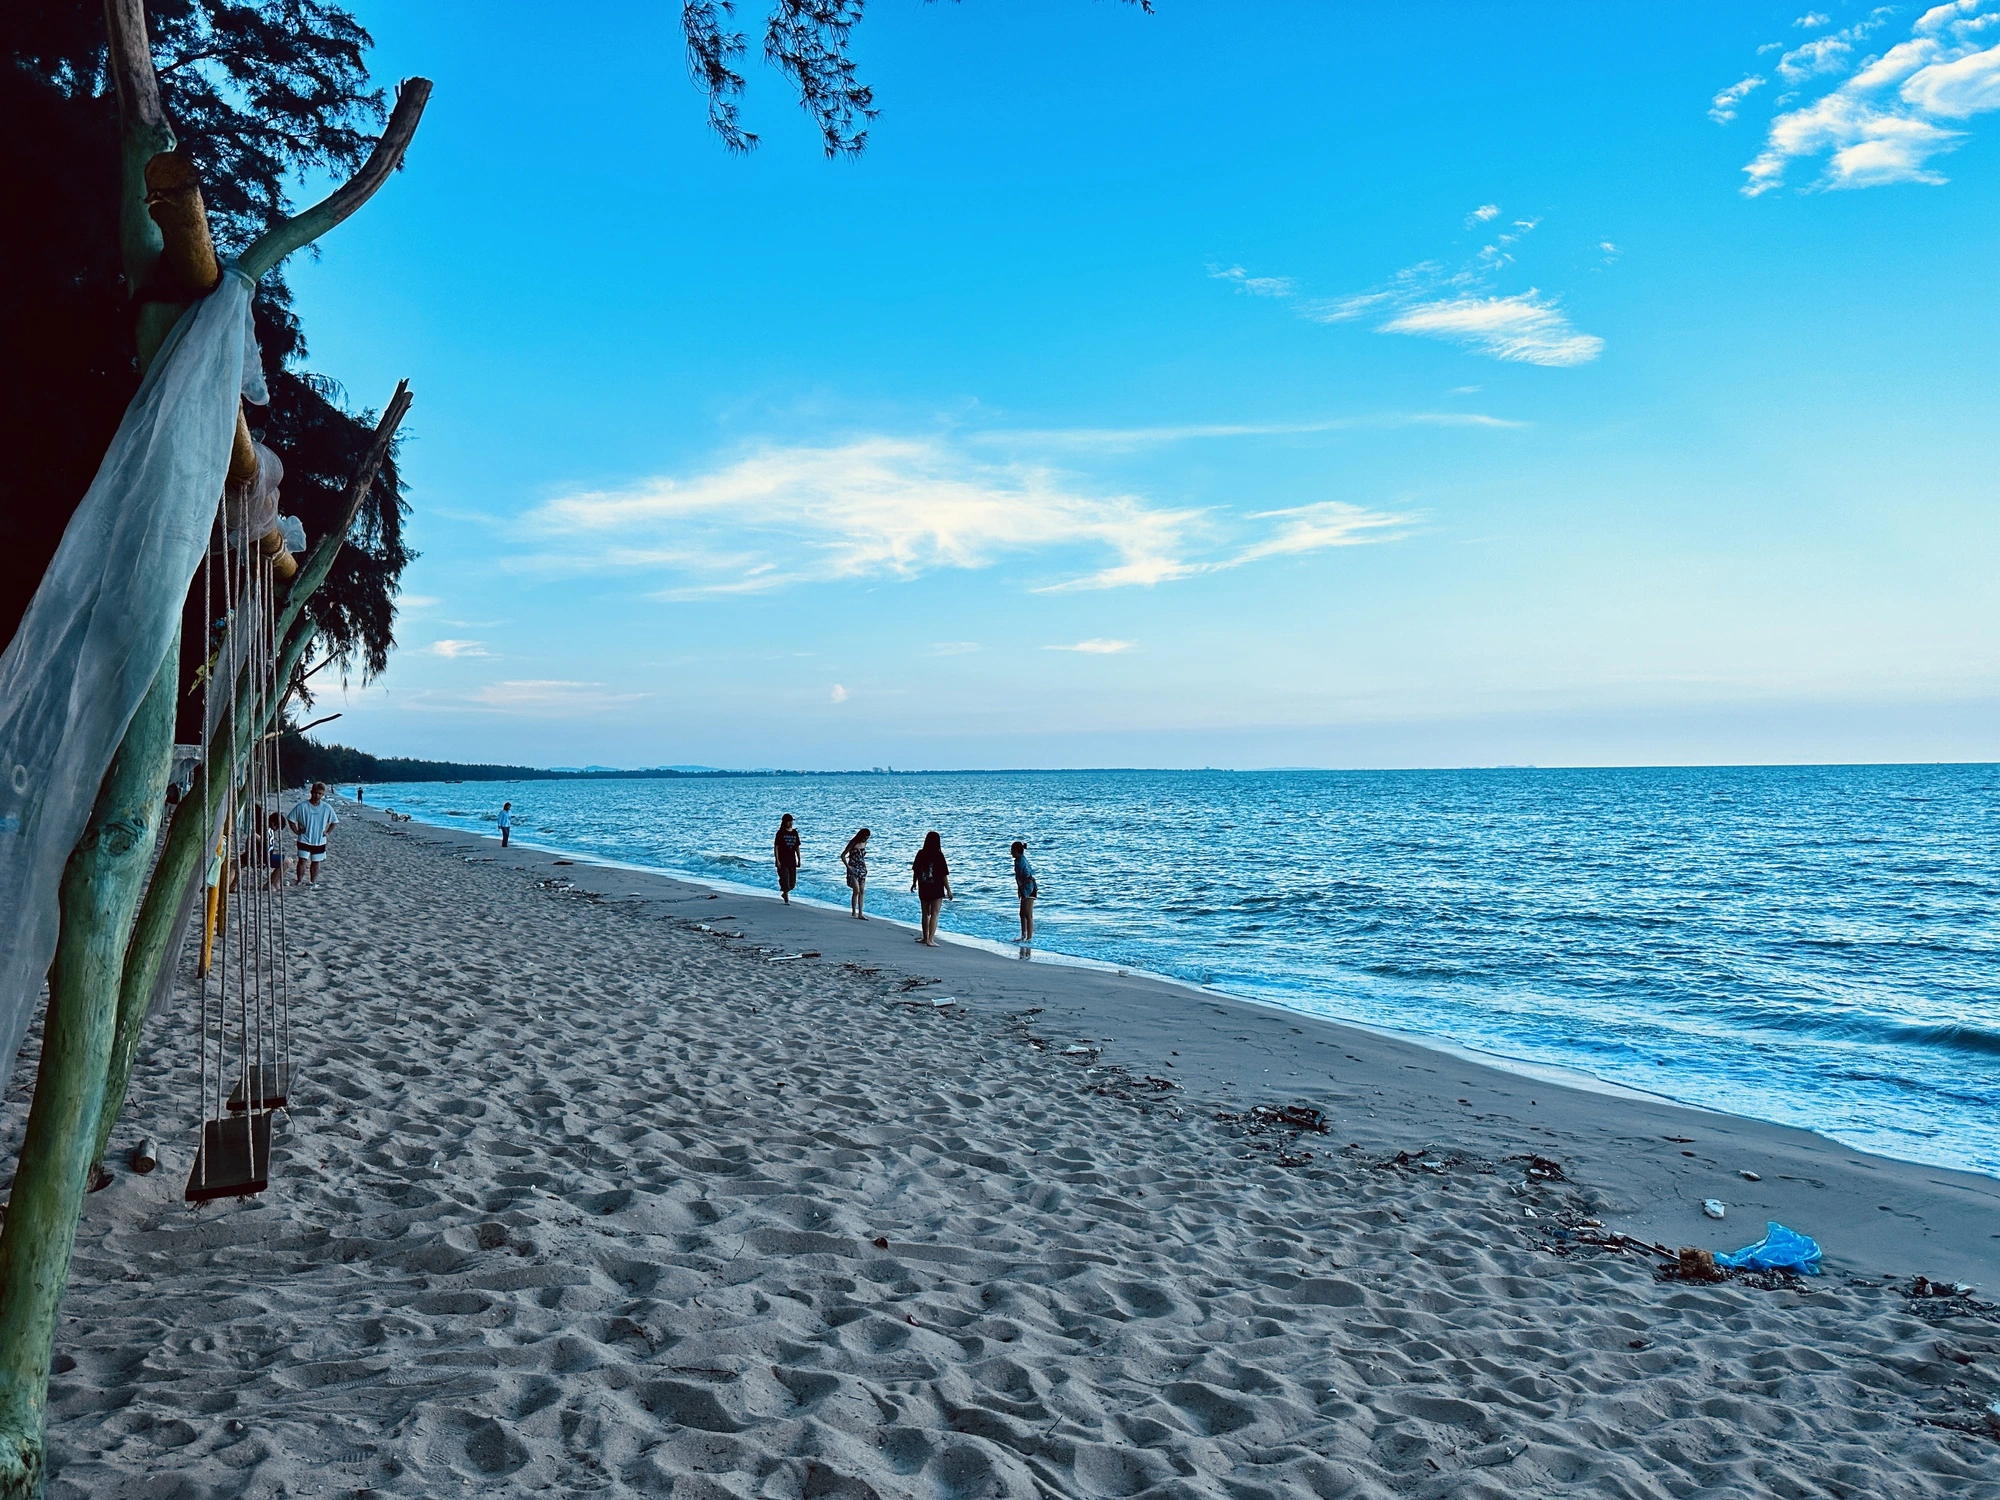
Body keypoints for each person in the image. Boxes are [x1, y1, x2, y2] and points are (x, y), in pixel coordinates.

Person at [288, 782, 339, 885]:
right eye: (315, 793)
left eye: (320, 793)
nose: (317, 796)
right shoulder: (302, 806)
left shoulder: (327, 808)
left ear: (323, 794)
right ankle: (300, 880)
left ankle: (313, 881)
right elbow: (291, 819)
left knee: (316, 861)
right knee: (302, 860)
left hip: (319, 839)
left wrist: (328, 832)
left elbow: (334, 821)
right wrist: (296, 831)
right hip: (304, 838)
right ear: (311, 792)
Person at [911, 831, 952, 946]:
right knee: (934, 913)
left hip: (924, 886)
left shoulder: (920, 853)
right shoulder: (939, 855)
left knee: (925, 913)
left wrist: (914, 883)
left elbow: (916, 870)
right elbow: (944, 874)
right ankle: (930, 940)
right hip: (936, 887)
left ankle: (925, 938)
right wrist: (948, 889)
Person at [1011, 839, 1038, 945]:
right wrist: (1020, 889)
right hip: (1023, 889)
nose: (1011, 852)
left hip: (1030, 889)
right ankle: (1023, 935)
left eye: (1012, 850)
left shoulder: (1022, 861)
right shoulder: (1017, 861)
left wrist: (1024, 885)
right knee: (1022, 913)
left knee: (1028, 914)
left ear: (1017, 851)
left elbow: (1028, 876)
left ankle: (1029, 938)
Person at [840, 827, 871, 919]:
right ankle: (854, 911)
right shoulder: (853, 842)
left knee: (862, 891)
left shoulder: (865, 843)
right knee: (856, 890)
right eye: (865, 837)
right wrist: (848, 867)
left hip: (862, 868)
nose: (866, 839)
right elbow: (843, 855)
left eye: (867, 838)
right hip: (853, 868)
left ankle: (860, 913)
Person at [773, 814, 801, 904]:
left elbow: (797, 847)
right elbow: (776, 847)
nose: (791, 823)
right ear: (785, 822)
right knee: (785, 879)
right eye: (789, 821)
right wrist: (777, 860)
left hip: (792, 860)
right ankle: (786, 896)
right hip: (782, 860)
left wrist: (799, 859)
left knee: (792, 883)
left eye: (791, 821)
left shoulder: (794, 833)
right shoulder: (780, 833)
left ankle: (785, 893)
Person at [266, 810, 288, 890]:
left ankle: (276, 882)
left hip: (267, 855)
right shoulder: (266, 830)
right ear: (273, 824)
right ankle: (271, 883)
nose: (276, 830)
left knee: (288, 860)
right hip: (265, 858)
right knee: (286, 862)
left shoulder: (269, 830)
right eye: (277, 827)